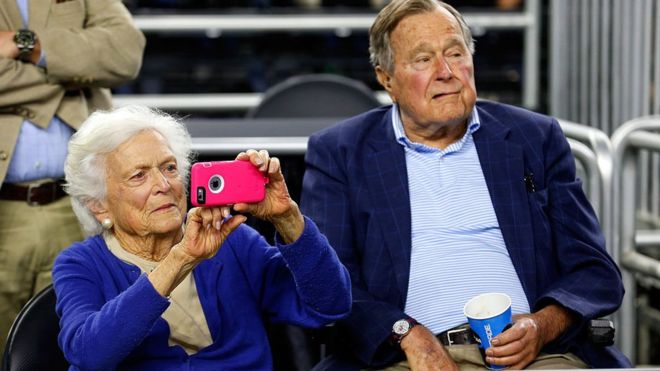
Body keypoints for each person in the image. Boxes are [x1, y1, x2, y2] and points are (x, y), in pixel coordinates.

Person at [301, 0, 630, 369]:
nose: (446, 71)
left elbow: (595, 271)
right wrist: (406, 333)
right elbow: (330, 284)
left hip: (539, 355)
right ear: (387, 79)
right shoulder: (341, 153)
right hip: (407, 359)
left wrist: (542, 325)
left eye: (455, 53)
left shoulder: (533, 138)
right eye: (423, 60)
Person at [52, 105, 351, 370]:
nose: (164, 184)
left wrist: (287, 217)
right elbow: (90, 355)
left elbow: (330, 306)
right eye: (138, 176)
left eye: (169, 168)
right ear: (99, 204)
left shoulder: (233, 240)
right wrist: (180, 259)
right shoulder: (80, 264)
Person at [0, 0, 145, 357]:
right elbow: (100, 61)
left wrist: (26, 45)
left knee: (82, 345)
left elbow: (126, 52)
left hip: (81, 205)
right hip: (5, 208)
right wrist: (69, 75)